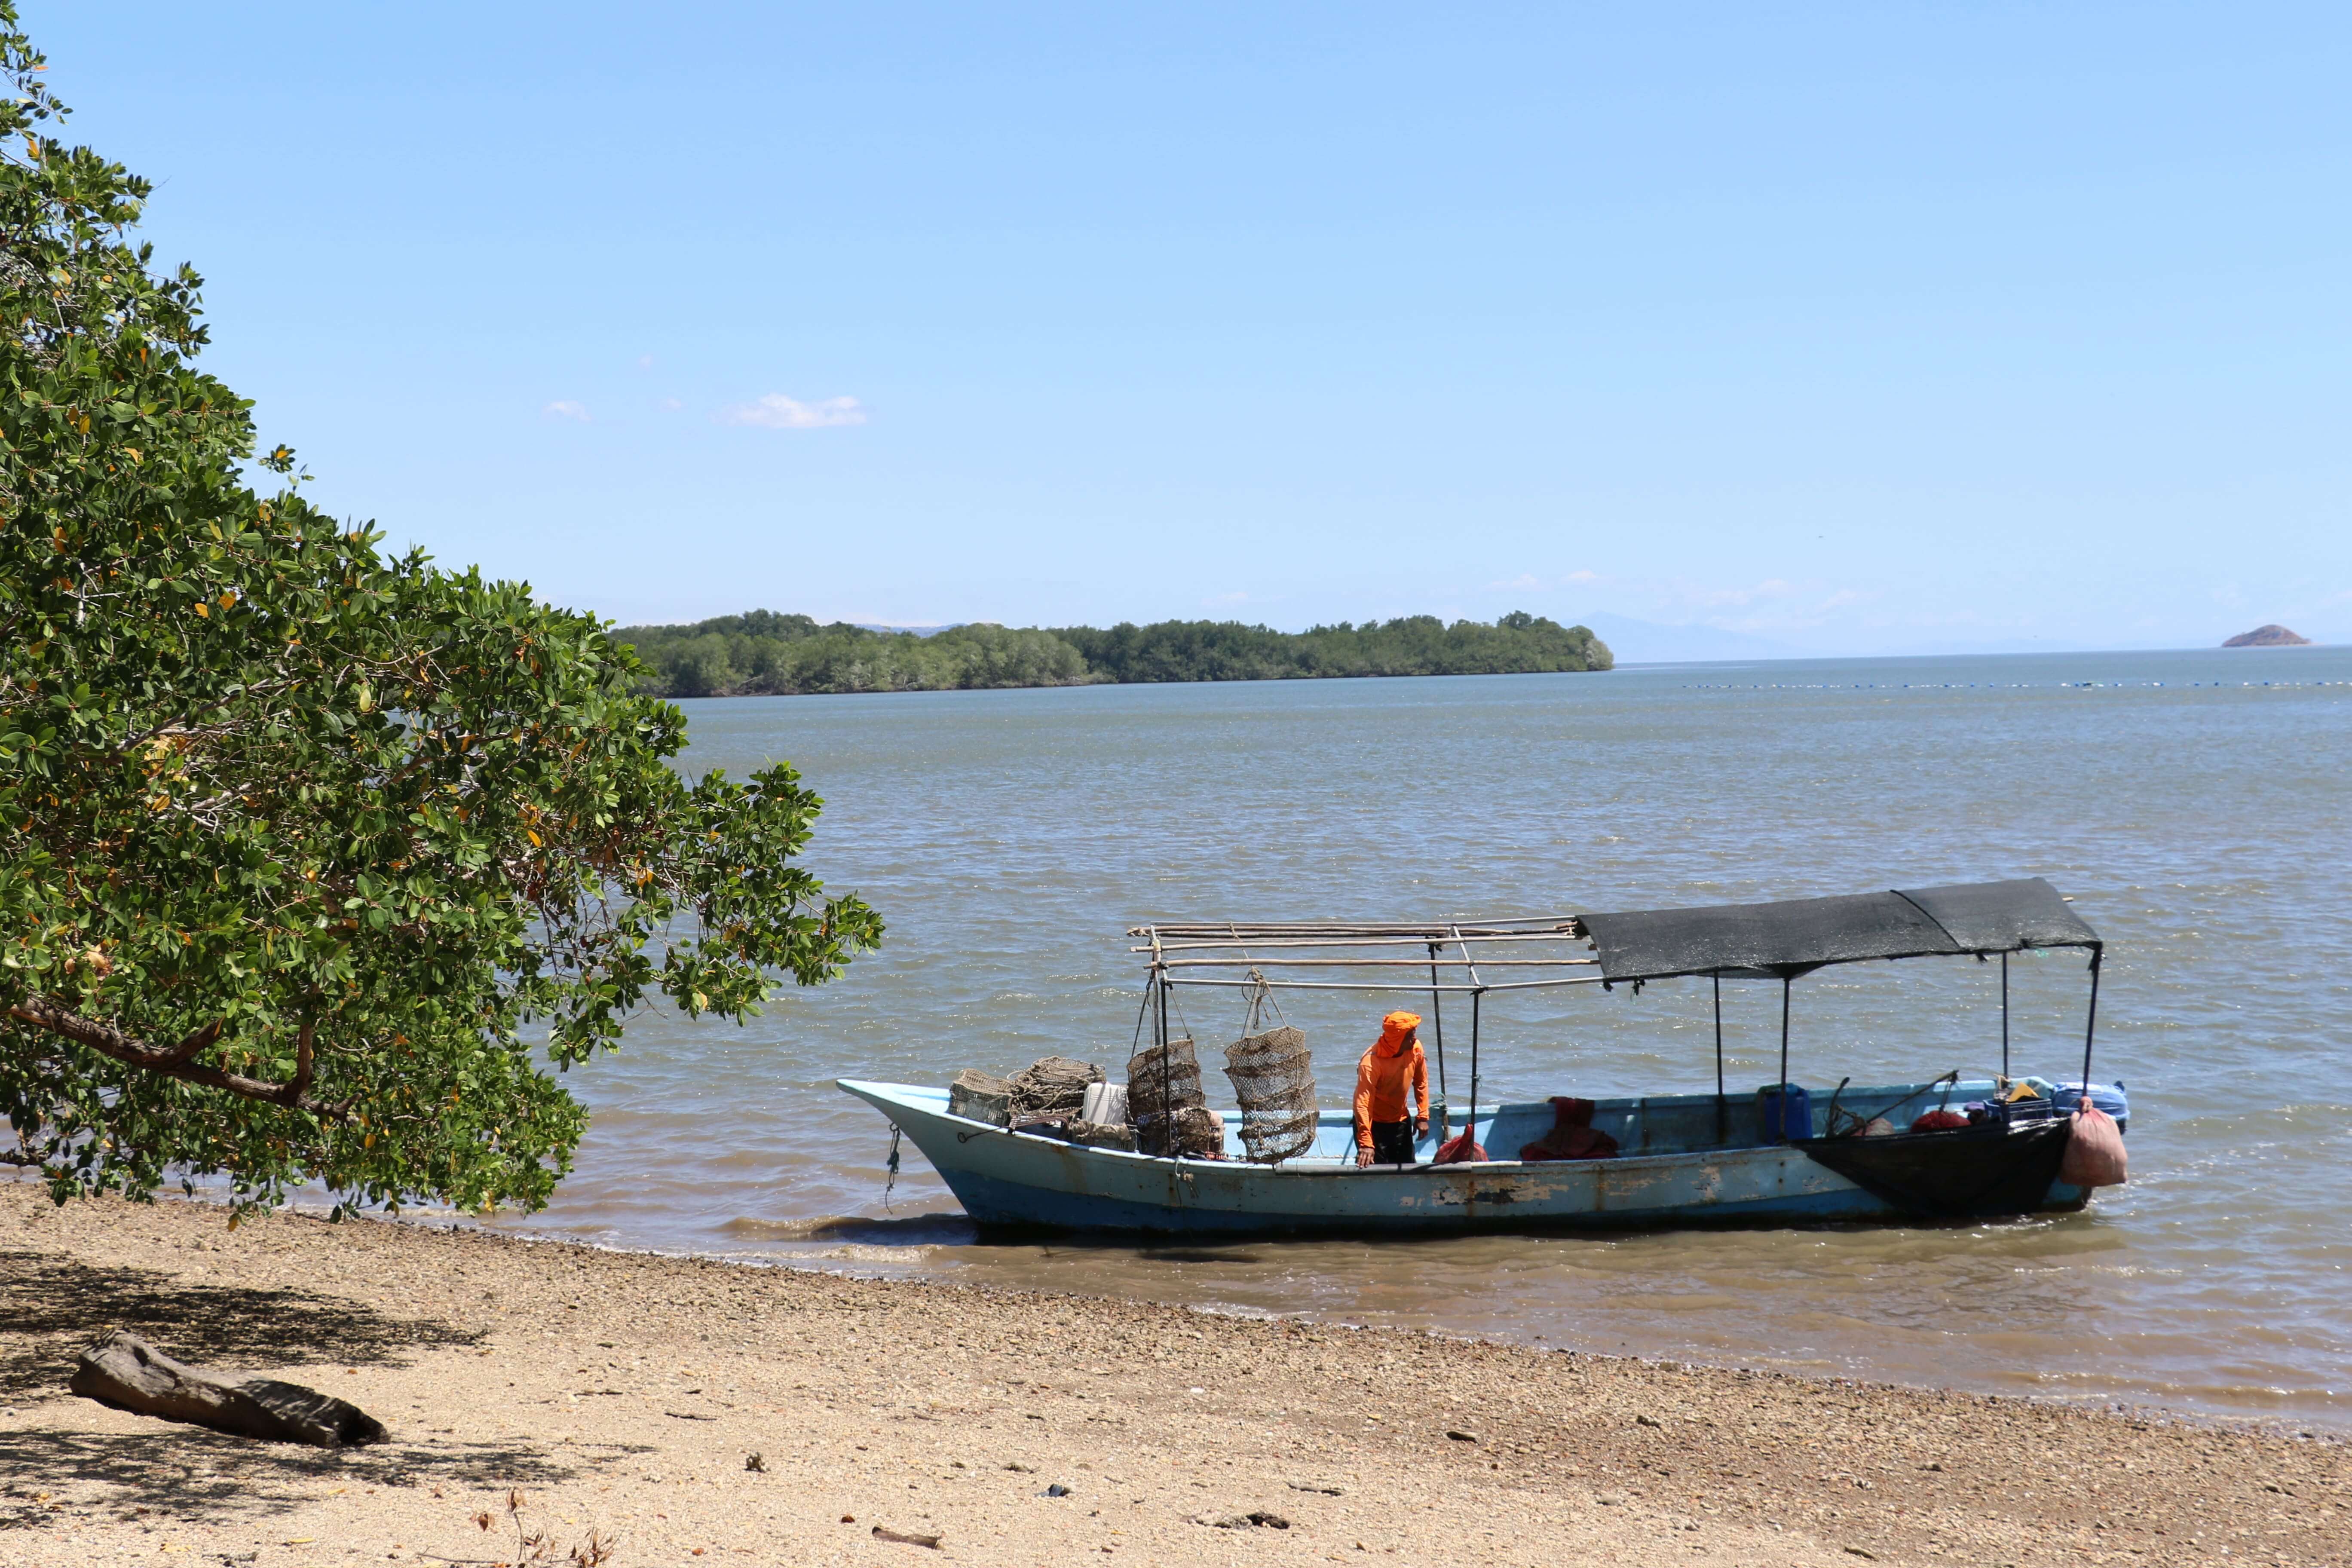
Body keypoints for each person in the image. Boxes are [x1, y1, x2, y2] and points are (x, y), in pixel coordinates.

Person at [1353, 1010, 1431, 1167]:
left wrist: (1423, 1116)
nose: (1414, 1039)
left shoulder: (1415, 1049)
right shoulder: (1371, 1063)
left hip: (1400, 1120)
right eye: (1410, 1036)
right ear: (1397, 1040)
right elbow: (1363, 1104)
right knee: (1377, 1171)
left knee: (1408, 1169)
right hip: (1374, 1124)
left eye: (1414, 1034)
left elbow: (1421, 1081)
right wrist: (1366, 1143)